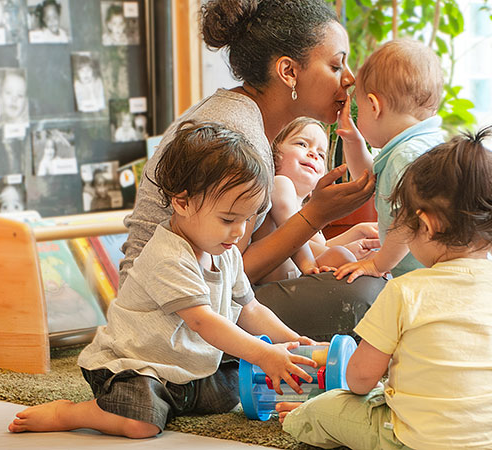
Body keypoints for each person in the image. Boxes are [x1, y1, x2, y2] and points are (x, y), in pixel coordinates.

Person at [8, 121, 320, 438]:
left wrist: (290, 341)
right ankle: (71, 413)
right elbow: (203, 322)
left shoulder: (226, 252)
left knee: (231, 389)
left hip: (184, 365)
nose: (239, 231)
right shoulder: (169, 256)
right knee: (140, 425)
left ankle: (170, 401)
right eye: (228, 219)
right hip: (134, 365)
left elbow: (250, 309)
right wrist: (263, 353)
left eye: (247, 218)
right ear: (182, 202)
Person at [122, 0, 381, 341]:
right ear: (288, 71)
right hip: (172, 309)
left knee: (368, 278)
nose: (348, 79)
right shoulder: (238, 133)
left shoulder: (249, 122)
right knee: (363, 297)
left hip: (208, 291)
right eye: (335, 66)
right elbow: (231, 270)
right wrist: (316, 215)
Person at [278, 127, 492, 450]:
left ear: (425, 225)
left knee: (328, 407)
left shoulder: (405, 290)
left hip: (417, 443)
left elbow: (359, 381)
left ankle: (297, 417)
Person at [331, 39, 444, 283]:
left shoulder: (406, 157)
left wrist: (377, 263)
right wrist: (353, 142)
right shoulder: (420, 146)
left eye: (359, 110)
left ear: (374, 106)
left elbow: (408, 220)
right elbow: (369, 180)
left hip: (434, 282)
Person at [254, 116, 380, 283]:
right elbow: (294, 237)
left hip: (294, 279)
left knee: (344, 256)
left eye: (321, 154)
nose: (313, 153)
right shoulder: (280, 185)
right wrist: (341, 252)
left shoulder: (304, 209)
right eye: (302, 144)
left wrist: (359, 232)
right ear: (274, 154)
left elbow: (321, 247)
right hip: (273, 285)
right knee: (341, 255)